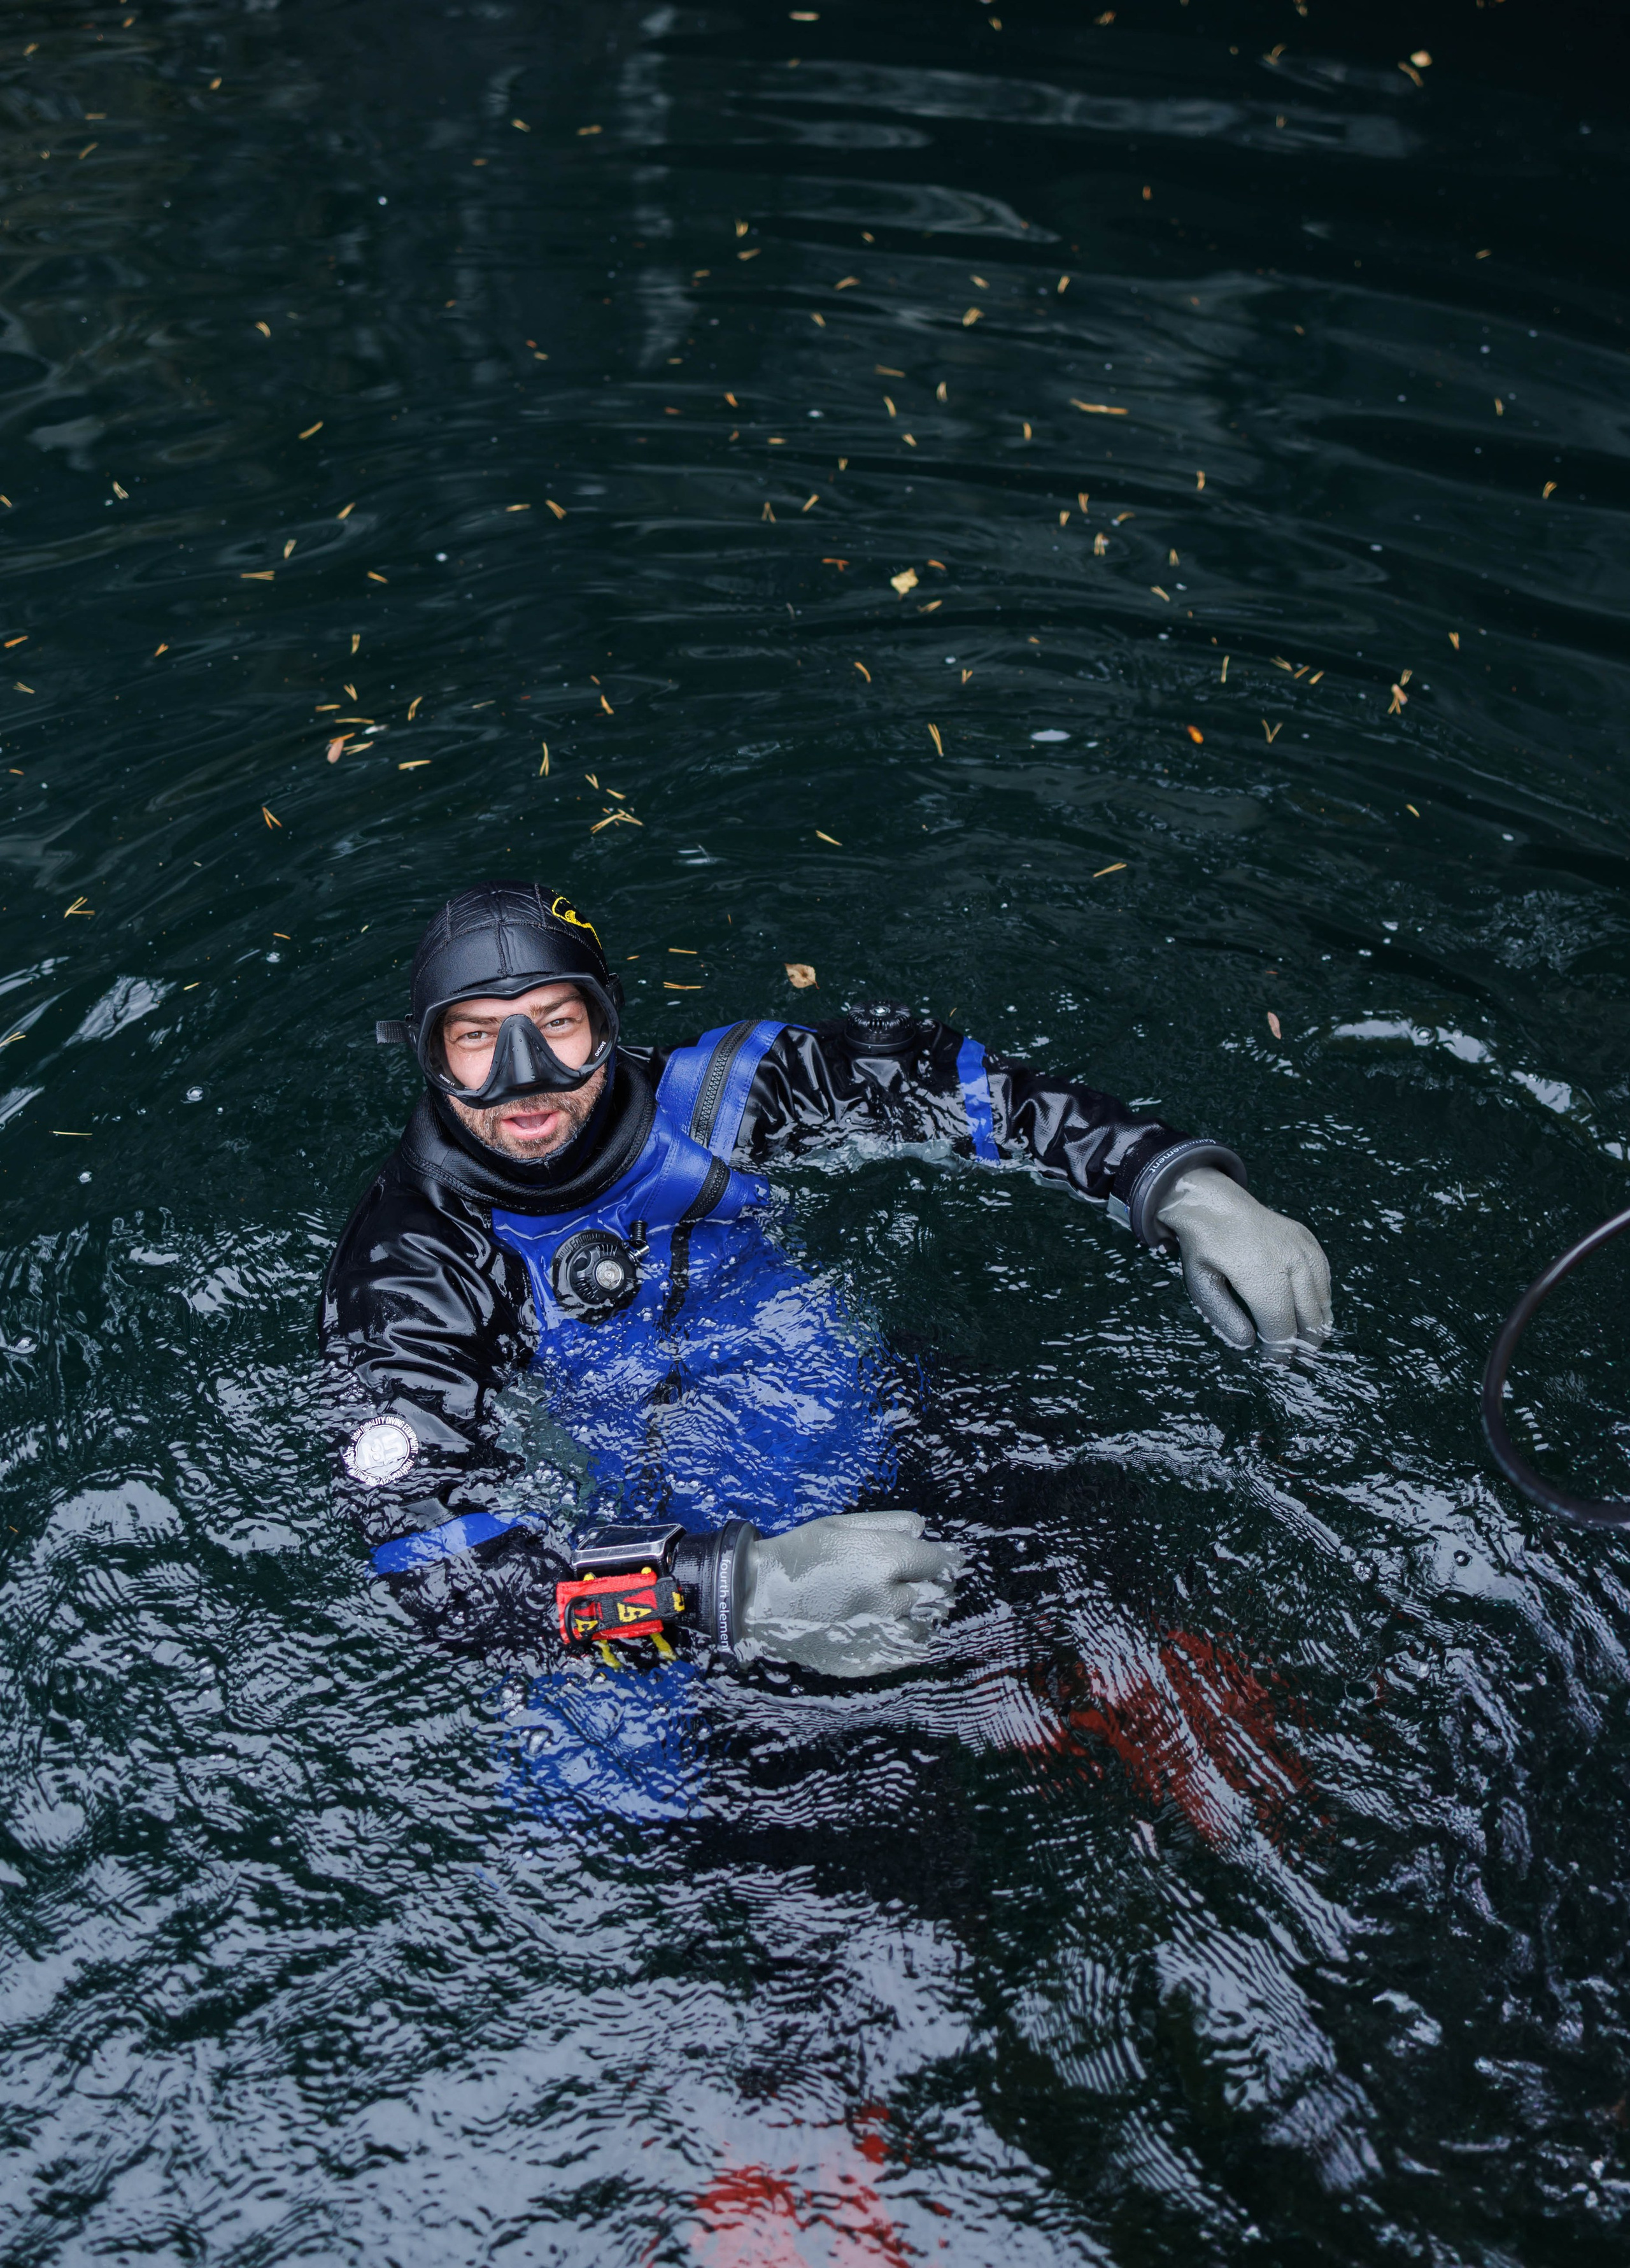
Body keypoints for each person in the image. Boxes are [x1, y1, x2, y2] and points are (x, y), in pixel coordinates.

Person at [321, 882, 1331, 1674]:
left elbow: (959, 1092)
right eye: (477, 1039)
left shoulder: (723, 1098)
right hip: (723, 1574)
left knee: (1145, 1591)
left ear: (607, 1020)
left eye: (557, 1023)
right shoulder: (413, 1268)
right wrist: (735, 1590)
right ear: (427, 1055)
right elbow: (439, 1568)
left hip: (896, 1421)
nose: (525, 1073)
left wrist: (1183, 1189)